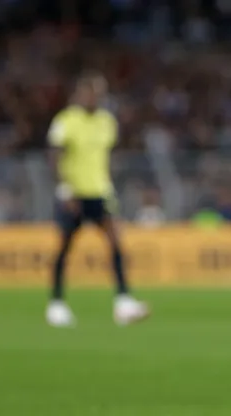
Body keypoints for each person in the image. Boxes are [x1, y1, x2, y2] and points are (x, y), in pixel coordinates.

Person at [45, 71, 149, 327]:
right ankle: (56, 303)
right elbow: (54, 156)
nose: (95, 97)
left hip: (100, 192)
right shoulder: (66, 121)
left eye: (99, 93)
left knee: (115, 242)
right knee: (65, 247)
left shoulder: (106, 122)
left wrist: (108, 185)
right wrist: (64, 189)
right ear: (81, 94)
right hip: (74, 194)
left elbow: (106, 157)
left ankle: (123, 301)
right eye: (91, 92)